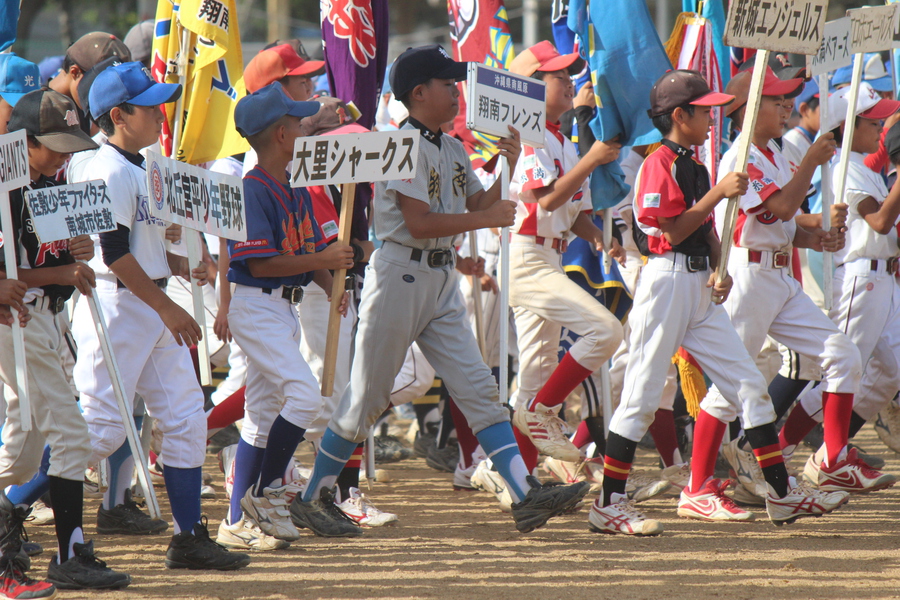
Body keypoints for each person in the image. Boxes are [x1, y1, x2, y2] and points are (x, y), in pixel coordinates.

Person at [289, 45, 589, 536]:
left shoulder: (450, 146)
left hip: (439, 277)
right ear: (418, 93)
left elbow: (478, 200)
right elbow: (419, 222)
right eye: (447, 84)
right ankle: (312, 496)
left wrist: (503, 170)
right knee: (365, 397)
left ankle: (524, 494)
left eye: (456, 83)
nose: (457, 91)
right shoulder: (400, 144)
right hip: (399, 274)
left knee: (479, 389)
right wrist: (487, 216)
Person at [591, 70, 847, 536]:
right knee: (644, 394)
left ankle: (783, 495)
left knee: (749, 385)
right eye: (703, 109)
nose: (713, 116)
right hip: (664, 284)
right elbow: (668, 230)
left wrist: (718, 265)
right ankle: (608, 503)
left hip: (696, 287)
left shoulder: (695, 163)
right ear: (678, 115)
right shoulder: (658, 162)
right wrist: (716, 194)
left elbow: (707, 230)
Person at [72, 61, 249, 570]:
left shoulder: (139, 162)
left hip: (146, 302)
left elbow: (140, 246)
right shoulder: (104, 166)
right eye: (149, 104)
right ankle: (11, 505)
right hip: (117, 305)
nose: (160, 111)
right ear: (118, 115)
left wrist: (175, 262)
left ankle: (188, 536)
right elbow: (113, 254)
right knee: (104, 431)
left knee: (187, 421)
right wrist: (168, 304)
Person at [707, 67, 879, 497]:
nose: (786, 106)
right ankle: (697, 485)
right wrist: (810, 163)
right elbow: (780, 208)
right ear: (746, 111)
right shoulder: (741, 155)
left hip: (778, 273)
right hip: (748, 275)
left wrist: (816, 235)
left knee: (842, 355)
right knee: (732, 386)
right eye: (775, 99)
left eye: (787, 99)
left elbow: (781, 223)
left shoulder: (773, 153)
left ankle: (833, 459)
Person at [0, 88, 131, 597]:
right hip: (19, 323)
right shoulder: (7, 188)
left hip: (47, 321)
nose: (62, 155)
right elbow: (20, 274)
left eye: (67, 144)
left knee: (22, 455)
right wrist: (61, 268)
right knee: (71, 438)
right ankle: (69, 554)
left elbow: (45, 261)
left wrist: (76, 250)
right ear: (23, 142)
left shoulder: (49, 186)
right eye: (51, 145)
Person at [218, 81, 353, 549]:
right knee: (304, 396)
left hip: (281, 307)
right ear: (280, 133)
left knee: (260, 416)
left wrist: (331, 282)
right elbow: (259, 264)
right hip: (255, 304)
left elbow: (313, 251)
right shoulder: (253, 188)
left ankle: (236, 521)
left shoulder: (292, 183)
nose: (304, 127)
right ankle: (268, 491)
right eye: (297, 123)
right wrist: (325, 263)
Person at [502, 41, 625, 470]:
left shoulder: (562, 140)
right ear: (531, 89)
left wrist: (598, 237)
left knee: (534, 377)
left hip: (549, 257)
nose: (569, 81)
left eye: (568, 75)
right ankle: (544, 412)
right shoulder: (533, 135)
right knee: (606, 332)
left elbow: (574, 217)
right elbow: (546, 202)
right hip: (528, 257)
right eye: (558, 76)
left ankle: (518, 480)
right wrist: (592, 159)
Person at [784, 84, 900, 492]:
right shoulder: (846, 166)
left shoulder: (865, 166)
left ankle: (831, 453)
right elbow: (880, 222)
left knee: (890, 374)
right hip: (860, 278)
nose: (880, 128)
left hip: (885, 274)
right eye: (873, 121)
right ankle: (779, 450)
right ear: (850, 125)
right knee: (839, 369)